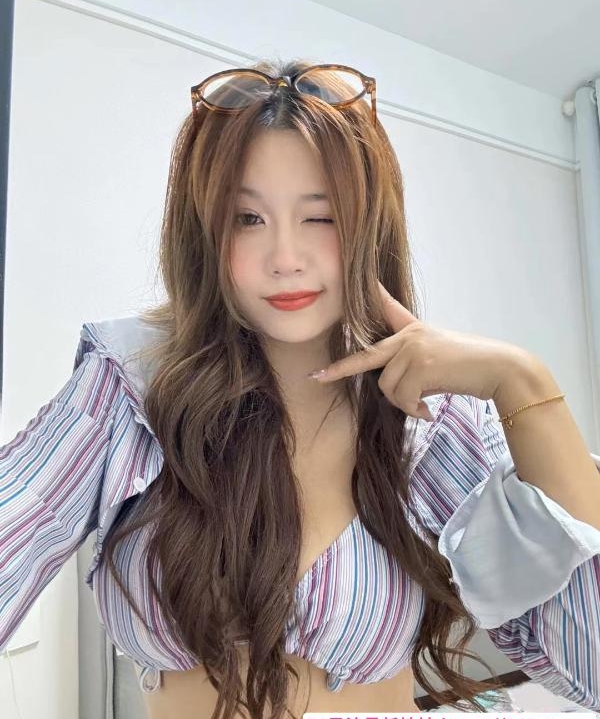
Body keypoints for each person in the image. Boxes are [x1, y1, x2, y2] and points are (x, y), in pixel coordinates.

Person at [1, 57, 600, 719]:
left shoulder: (438, 422)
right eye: (247, 219)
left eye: (320, 217)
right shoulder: (129, 389)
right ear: (205, 232)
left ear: (369, 226)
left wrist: (522, 381)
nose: (285, 257)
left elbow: (591, 661)